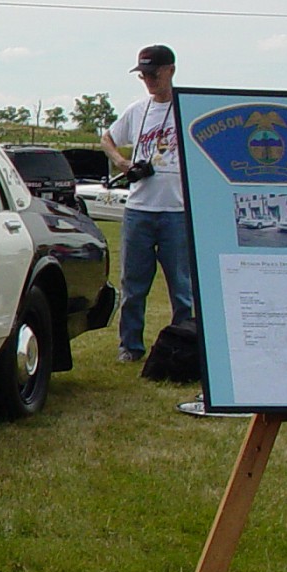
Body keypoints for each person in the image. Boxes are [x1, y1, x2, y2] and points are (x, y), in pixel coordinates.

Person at [100, 44, 194, 363]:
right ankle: (130, 346)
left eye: (153, 74)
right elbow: (107, 138)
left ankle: (184, 344)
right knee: (134, 283)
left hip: (177, 211)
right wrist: (121, 162)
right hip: (139, 209)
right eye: (142, 75)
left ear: (170, 70)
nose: (148, 80)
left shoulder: (186, 110)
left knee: (181, 287)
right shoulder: (137, 110)